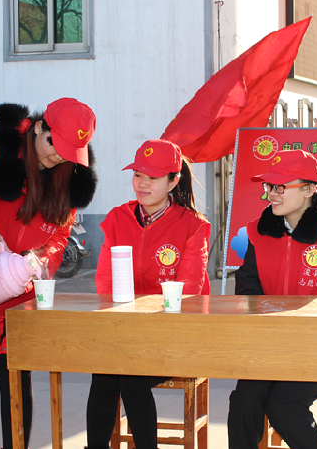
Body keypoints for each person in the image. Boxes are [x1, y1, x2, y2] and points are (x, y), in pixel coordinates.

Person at [0, 99, 98, 449]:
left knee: (16, 383)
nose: (58, 158)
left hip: (21, 291)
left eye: (69, 153)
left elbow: (60, 234)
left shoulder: (67, 174)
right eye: (54, 146)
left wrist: (43, 260)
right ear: (39, 128)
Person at [227, 149, 317, 449]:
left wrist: (300, 336)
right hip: (271, 346)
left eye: (280, 187)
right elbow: (247, 291)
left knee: (283, 404)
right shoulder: (256, 233)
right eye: (269, 186)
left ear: (309, 189)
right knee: (244, 399)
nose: (271, 194)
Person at [86, 138, 211, 449]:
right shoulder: (117, 219)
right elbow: (105, 284)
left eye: (153, 177)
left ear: (173, 182)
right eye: (137, 174)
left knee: (129, 375)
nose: (142, 184)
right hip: (125, 332)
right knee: (104, 373)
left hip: (174, 334)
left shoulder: (193, 226)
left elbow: (190, 291)